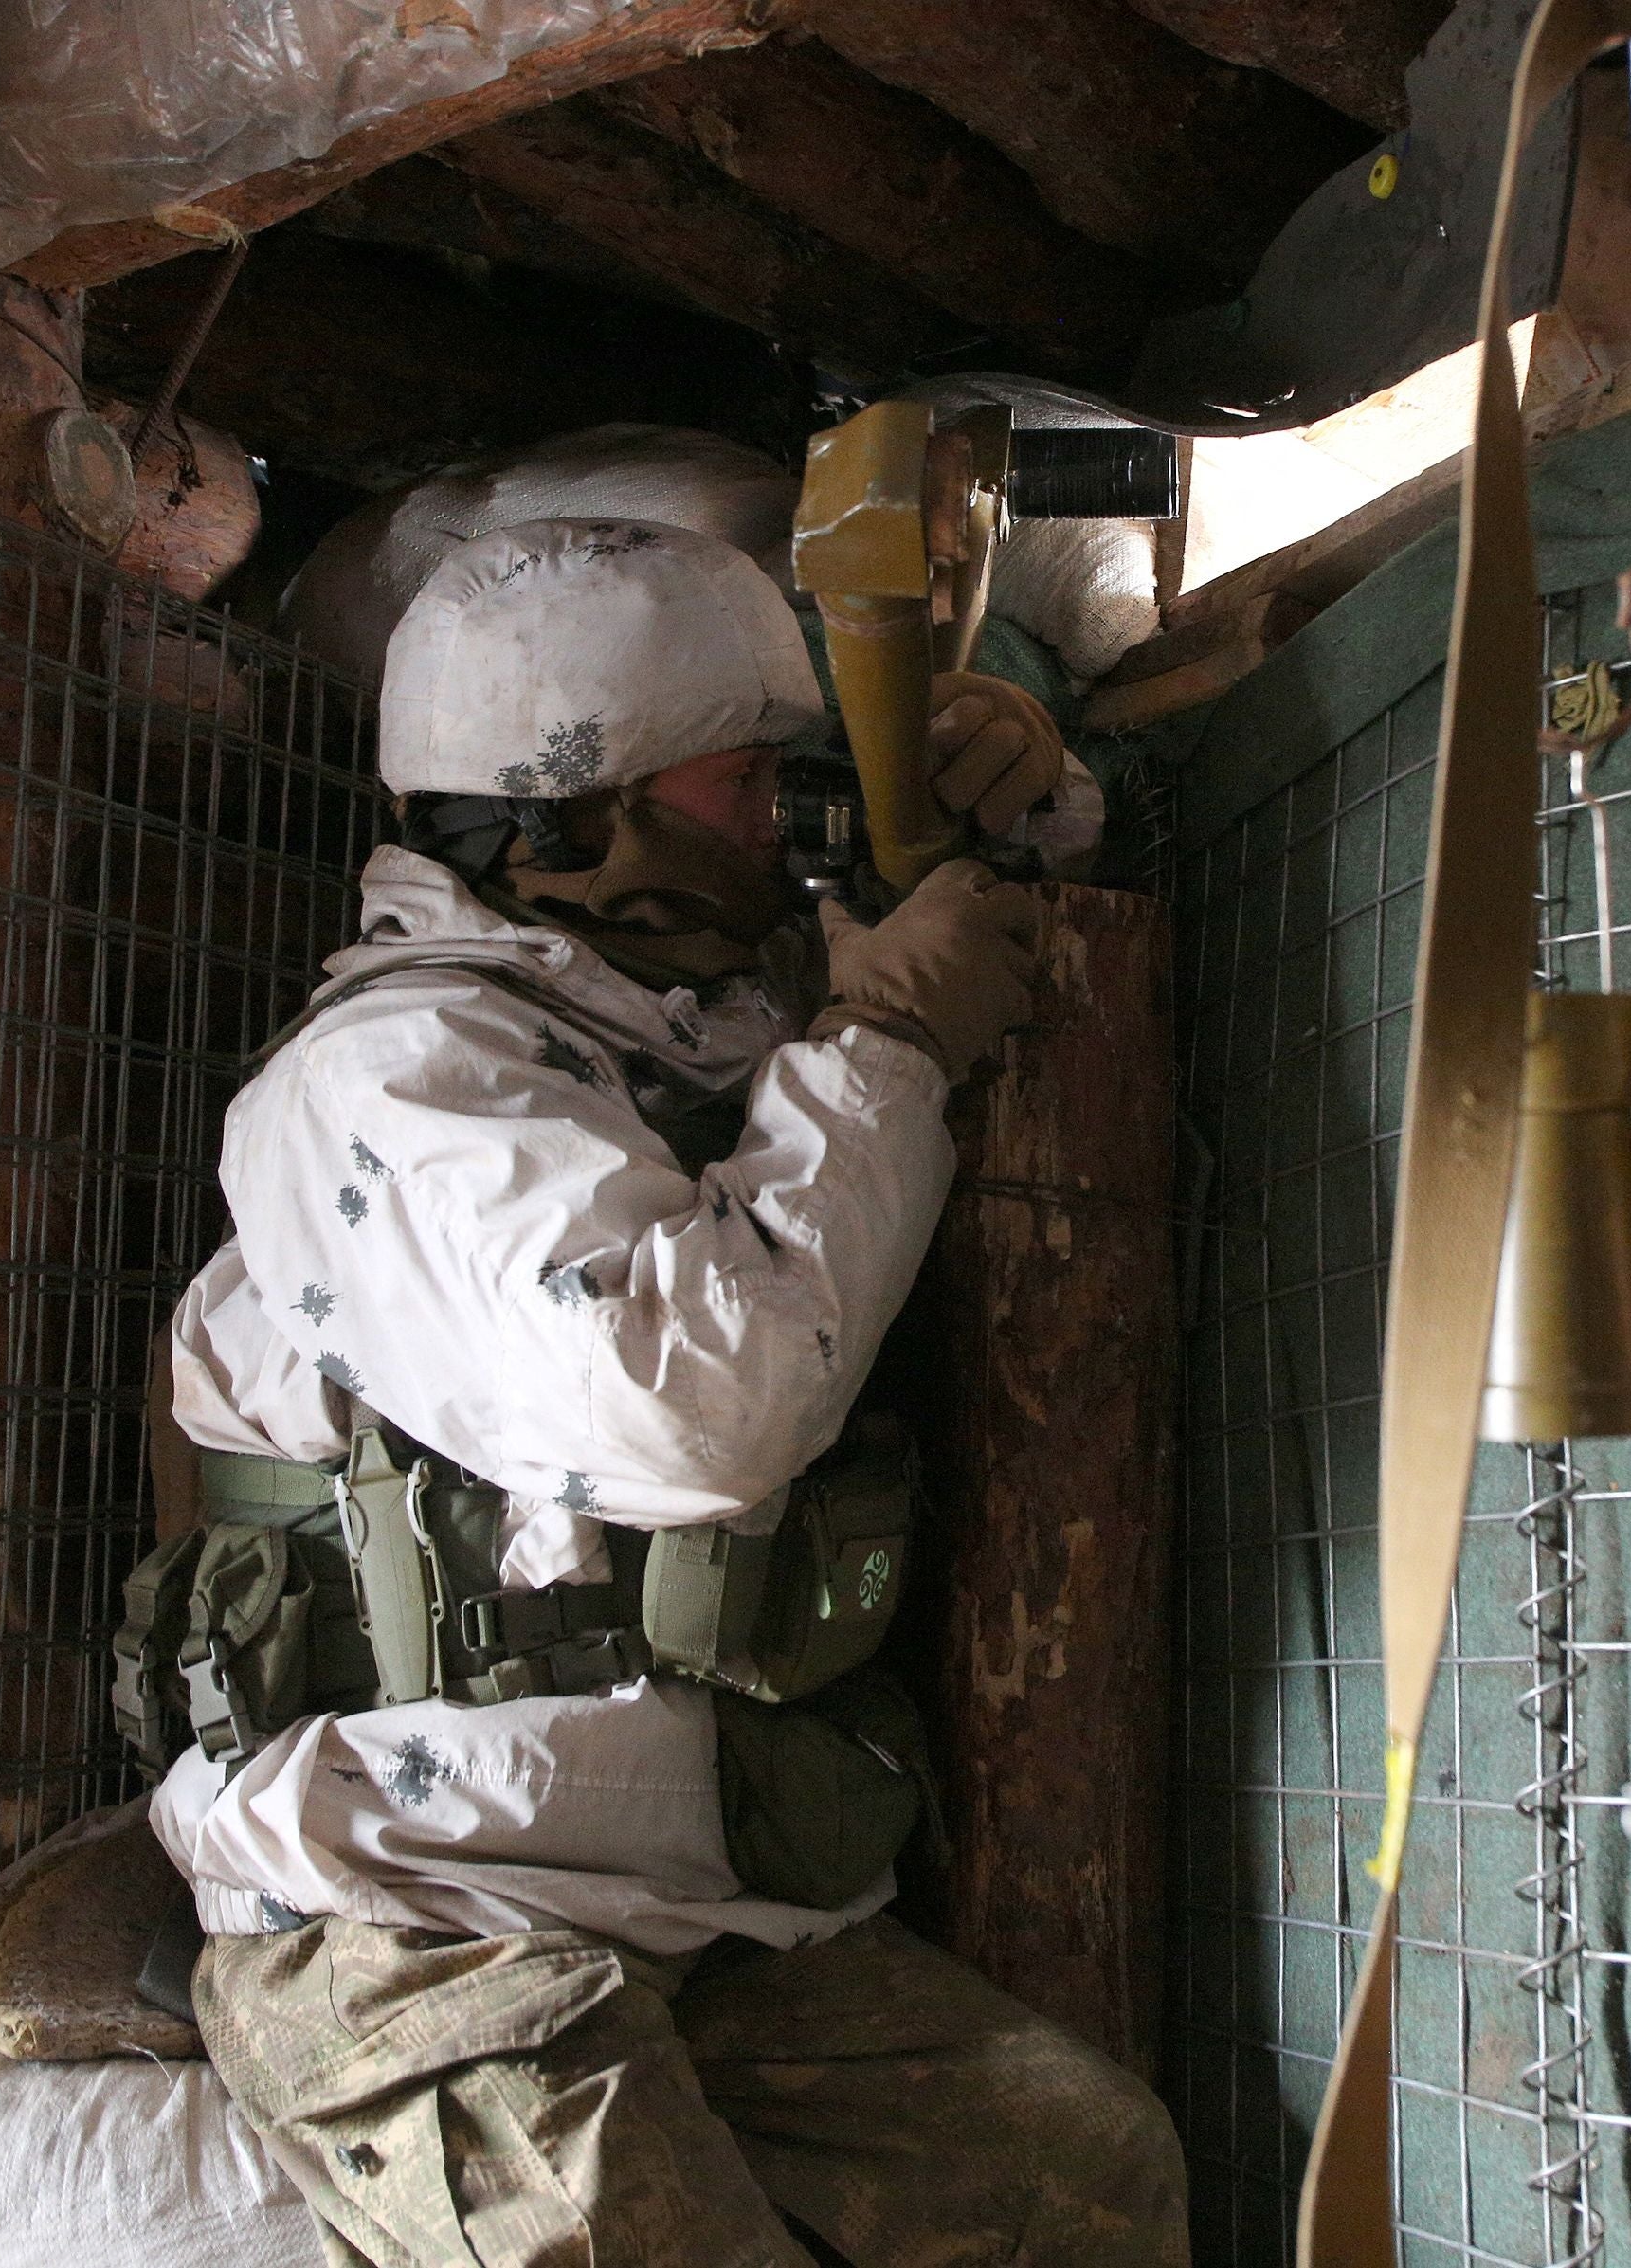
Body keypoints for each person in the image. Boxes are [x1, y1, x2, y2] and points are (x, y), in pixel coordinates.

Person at [135, 517, 1187, 2268]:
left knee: (1088, 2178)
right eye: (751, 788)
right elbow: (696, 1406)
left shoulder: (670, 1014)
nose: (792, 824)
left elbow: (978, 913)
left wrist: (1031, 793)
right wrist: (890, 1045)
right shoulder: (393, 1083)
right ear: (564, 825)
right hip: (415, 1912)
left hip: (697, 1896)